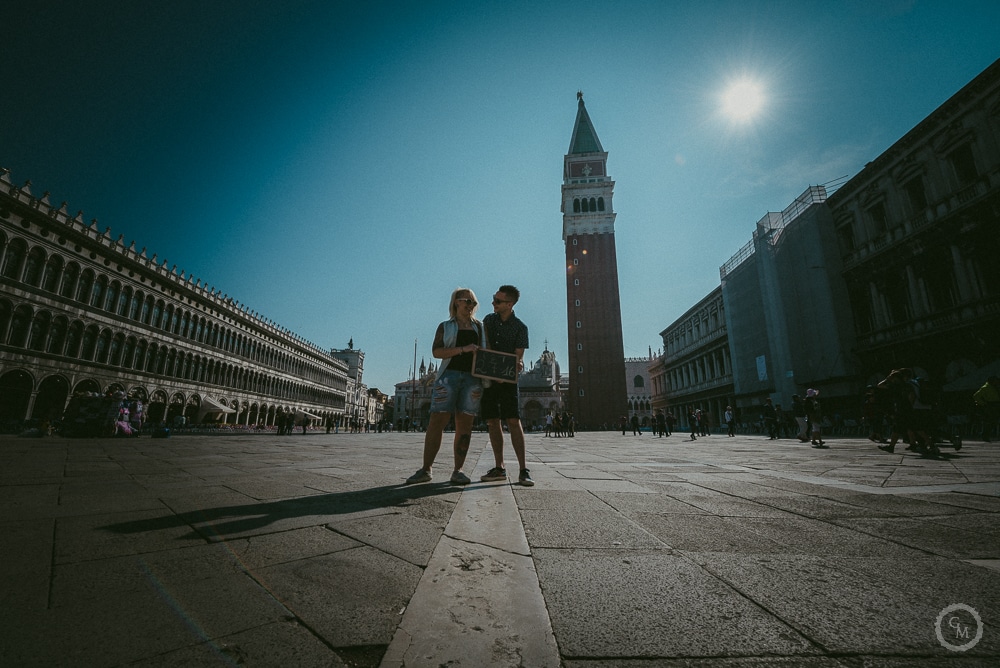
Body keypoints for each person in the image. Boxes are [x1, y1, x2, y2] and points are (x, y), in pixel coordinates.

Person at [406, 288, 485, 485]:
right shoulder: (445, 326)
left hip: (472, 379)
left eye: (473, 303)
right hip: (448, 377)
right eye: (467, 301)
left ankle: (458, 471)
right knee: (436, 421)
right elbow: (437, 352)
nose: (470, 306)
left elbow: (488, 351)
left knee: (465, 424)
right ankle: (426, 469)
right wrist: (463, 349)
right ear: (456, 302)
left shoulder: (480, 328)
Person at [479, 285, 534, 486]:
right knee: (492, 421)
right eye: (494, 299)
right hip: (489, 378)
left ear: (509, 304)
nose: (493, 303)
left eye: (497, 301)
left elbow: (519, 356)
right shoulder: (488, 320)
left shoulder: (521, 327)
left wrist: (516, 365)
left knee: (513, 420)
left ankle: (523, 469)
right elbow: (486, 346)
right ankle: (499, 467)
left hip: (509, 380)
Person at [973, 375, 1000, 442]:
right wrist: (983, 403)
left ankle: (987, 435)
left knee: (994, 421)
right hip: (990, 405)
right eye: (995, 380)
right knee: (990, 421)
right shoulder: (985, 387)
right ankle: (985, 435)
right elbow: (976, 396)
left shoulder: (995, 387)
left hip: (996, 404)